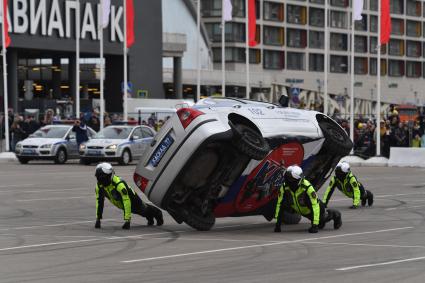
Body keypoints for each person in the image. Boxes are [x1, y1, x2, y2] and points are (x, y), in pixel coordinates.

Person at [94, 163, 164, 229]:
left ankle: (158, 214)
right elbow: (99, 202)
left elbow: (126, 201)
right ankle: (150, 218)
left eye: (102, 177)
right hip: (121, 204)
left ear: (109, 175)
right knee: (141, 213)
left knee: (143, 210)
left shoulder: (119, 184)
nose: (101, 180)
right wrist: (98, 219)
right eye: (99, 178)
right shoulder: (99, 187)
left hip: (133, 200)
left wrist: (127, 220)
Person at [274, 165, 342, 234]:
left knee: (321, 222)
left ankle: (335, 214)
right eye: (287, 178)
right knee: (282, 203)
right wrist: (277, 224)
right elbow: (279, 204)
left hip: (315, 208)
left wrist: (314, 225)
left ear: (298, 179)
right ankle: (317, 222)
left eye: (291, 178)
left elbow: (315, 205)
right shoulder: (284, 187)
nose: (288, 180)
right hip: (301, 210)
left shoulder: (307, 187)